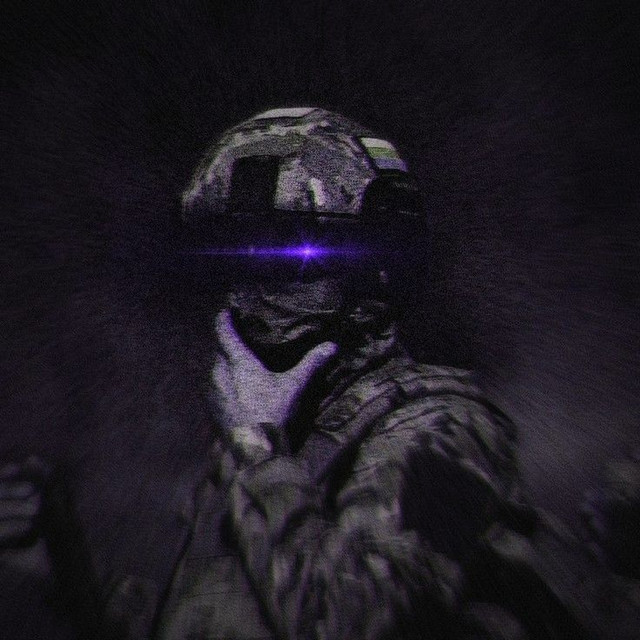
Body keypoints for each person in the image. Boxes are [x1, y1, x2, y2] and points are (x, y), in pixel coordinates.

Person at [1, 107, 637, 639]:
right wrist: (61, 569)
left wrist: (257, 450)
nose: (247, 295)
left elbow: (361, 623)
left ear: (370, 268)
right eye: (232, 259)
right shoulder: (277, 439)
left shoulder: (449, 434)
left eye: (288, 256)